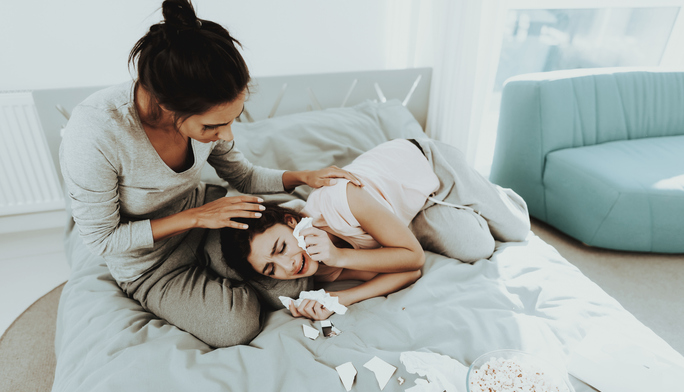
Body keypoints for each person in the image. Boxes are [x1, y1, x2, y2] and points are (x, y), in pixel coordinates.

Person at [59, 0, 361, 347]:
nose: (227, 135)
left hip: (212, 223)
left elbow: (243, 176)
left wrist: (304, 177)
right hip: (154, 264)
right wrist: (197, 217)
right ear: (168, 106)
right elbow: (101, 240)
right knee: (236, 327)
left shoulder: (205, 111)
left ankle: (235, 270)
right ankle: (227, 278)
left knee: (302, 265)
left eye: (234, 119)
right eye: (214, 125)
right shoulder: (96, 133)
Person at [220, 138, 440, 321]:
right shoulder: (317, 267)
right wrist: (341, 298)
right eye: (271, 270)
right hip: (420, 202)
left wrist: (340, 256)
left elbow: (414, 258)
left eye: (281, 248)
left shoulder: (340, 198)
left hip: (426, 161)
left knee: (470, 246)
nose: (288, 266)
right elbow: (408, 272)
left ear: (291, 221)